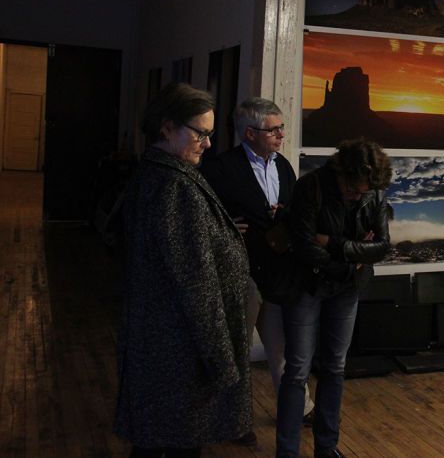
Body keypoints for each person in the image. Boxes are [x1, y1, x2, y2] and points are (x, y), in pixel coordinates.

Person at [114, 82, 251, 457]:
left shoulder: (153, 175)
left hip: (160, 344)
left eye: (210, 134)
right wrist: (223, 363)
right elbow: (198, 287)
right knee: (177, 445)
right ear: (167, 127)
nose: (208, 144)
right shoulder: (176, 187)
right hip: (180, 352)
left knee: (155, 442)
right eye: (201, 134)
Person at [200, 97, 315, 440]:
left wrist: (286, 214)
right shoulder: (220, 169)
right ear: (249, 133)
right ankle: (233, 422)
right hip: (239, 274)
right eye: (274, 129)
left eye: (282, 127)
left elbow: (293, 211)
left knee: (279, 349)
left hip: (277, 274)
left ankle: (300, 409)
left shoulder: (283, 167)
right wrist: (226, 227)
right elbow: (203, 217)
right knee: (235, 351)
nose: (281, 134)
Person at [276, 138, 392, 458]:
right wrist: (353, 256)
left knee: (335, 368)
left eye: (364, 192)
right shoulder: (310, 187)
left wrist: (334, 244)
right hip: (307, 286)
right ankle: (286, 452)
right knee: (297, 371)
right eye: (353, 189)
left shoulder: (373, 192)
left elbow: (381, 247)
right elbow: (305, 247)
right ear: (341, 170)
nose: (358, 196)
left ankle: (326, 448)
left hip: (346, 289)